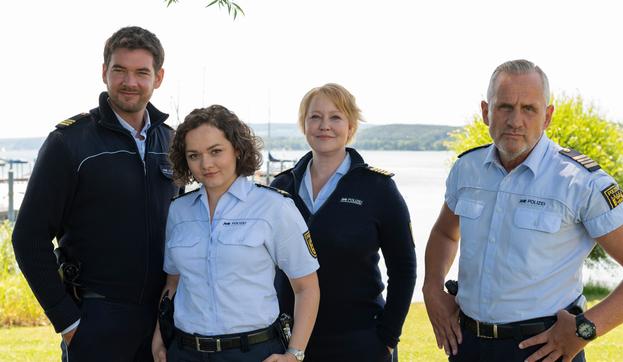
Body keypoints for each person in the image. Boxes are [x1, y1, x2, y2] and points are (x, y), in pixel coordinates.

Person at [422, 59, 623, 362]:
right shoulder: (467, 169)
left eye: (529, 109)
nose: (516, 120)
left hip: (544, 350)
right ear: (486, 111)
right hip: (467, 345)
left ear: (548, 116)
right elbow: (446, 233)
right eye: (504, 107)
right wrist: (432, 287)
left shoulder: (580, 182)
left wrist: (586, 330)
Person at [11, 26, 179, 361]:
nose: (129, 82)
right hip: (96, 319)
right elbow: (29, 238)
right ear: (105, 73)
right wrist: (68, 322)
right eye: (120, 70)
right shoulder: (69, 143)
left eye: (141, 72)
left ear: (158, 77)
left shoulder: (172, 143)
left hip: (163, 322)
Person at [151, 105, 320, 362]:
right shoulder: (179, 210)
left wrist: (294, 354)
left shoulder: (274, 207)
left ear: (237, 150)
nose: (206, 164)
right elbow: (173, 283)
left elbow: (306, 287)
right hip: (184, 352)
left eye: (216, 151)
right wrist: (159, 337)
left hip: (251, 353)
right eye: (194, 155)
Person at [271, 83, 417, 362]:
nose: (324, 125)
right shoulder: (281, 187)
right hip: (289, 342)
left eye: (335, 117)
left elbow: (404, 268)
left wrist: (387, 337)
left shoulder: (378, 189)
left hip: (360, 343)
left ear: (350, 127)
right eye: (315, 117)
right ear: (304, 125)